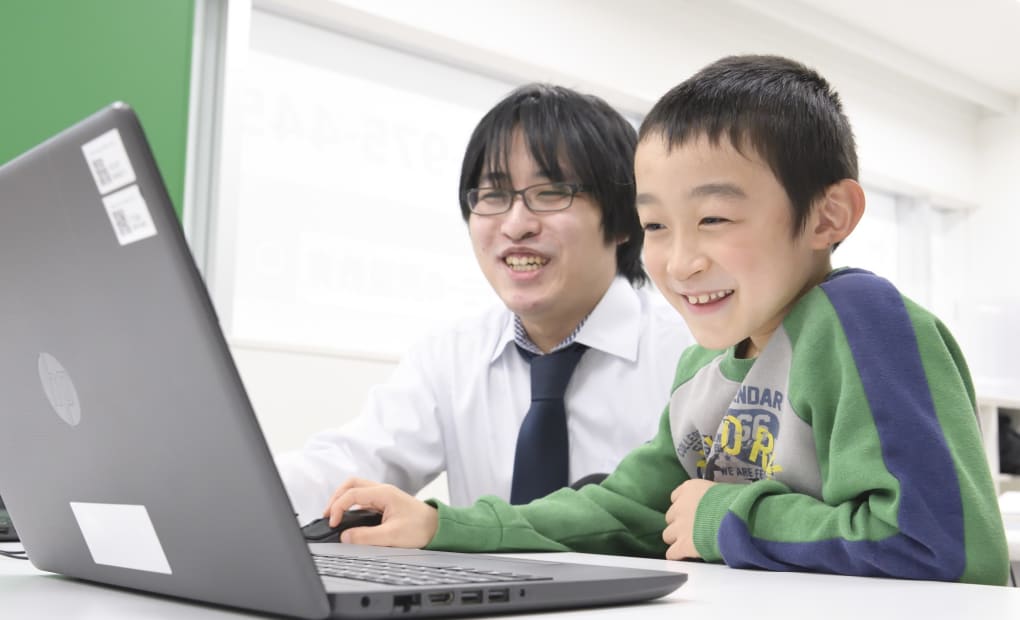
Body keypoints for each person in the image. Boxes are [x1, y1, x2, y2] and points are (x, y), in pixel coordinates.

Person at [321, 55, 1010, 586]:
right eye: (655, 224)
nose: (678, 262)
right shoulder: (702, 367)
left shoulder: (861, 322)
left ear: (828, 216)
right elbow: (622, 510)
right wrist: (444, 526)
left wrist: (722, 516)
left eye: (713, 218)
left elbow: (938, 544)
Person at [275, 83, 694, 524]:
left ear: (625, 218)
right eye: (493, 196)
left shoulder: (688, 356)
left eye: (550, 193)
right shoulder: (451, 355)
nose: (515, 225)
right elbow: (350, 464)